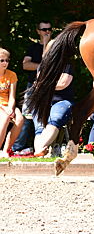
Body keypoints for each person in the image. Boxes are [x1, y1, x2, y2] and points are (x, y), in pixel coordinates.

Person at [12, 21, 52, 154]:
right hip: (32, 87)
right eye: (44, 29)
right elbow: (25, 65)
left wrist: (46, 45)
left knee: (45, 117)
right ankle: (17, 148)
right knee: (26, 116)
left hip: (49, 88)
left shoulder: (54, 47)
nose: (47, 32)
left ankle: (42, 148)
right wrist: (42, 66)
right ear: (38, 31)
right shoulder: (33, 48)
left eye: (49, 29)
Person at [33, 40, 76, 157]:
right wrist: (49, 84)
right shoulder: (43, 65)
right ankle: (39, 151)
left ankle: (39, 149)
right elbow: (39, 83)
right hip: (44, 100)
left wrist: (46, 84)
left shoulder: (67, 65)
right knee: (39, 127)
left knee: (55, 120)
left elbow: (63, 84)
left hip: (62, 101)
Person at [0, 48, 25, 157]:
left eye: (7, 60)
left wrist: (10, 108)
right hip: (0, 105)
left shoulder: (12, 75)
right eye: (1, 60)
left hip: (8, 105)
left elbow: (12, 96)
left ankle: (5, 150)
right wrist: (5, 109)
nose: (5, 63)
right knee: (5, 118)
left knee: (20, 119)